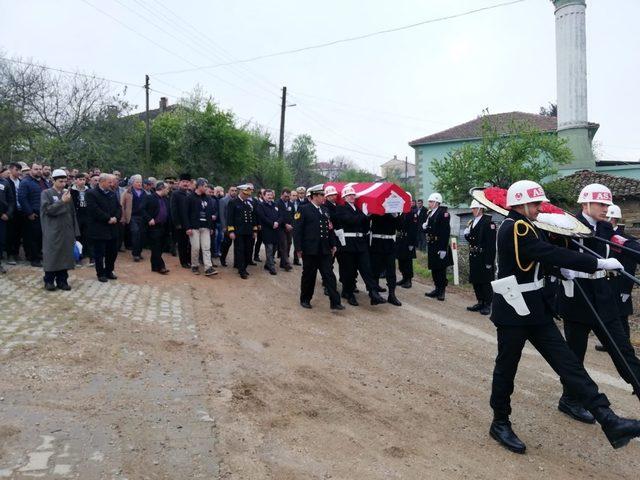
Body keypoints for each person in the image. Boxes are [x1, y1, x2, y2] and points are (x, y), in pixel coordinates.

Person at [489, 179, 640, 454]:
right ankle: (500, 421)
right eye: (535, 204)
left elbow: (543, 261)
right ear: (521, 203)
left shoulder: (532, 226)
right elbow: (547, 252)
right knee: (506, 369)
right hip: (513, 310)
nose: (539, 208)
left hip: (536, 309)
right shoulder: (515, 227)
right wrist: (597, 263)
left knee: (570, 365)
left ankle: (608, 419)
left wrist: (561, 272)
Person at [556, 184, 640, 423]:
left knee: (622, 350)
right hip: (577, 296)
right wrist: (561, 270)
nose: (607, 208)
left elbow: (625, 243)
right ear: (586, 204)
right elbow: (552, 253)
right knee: (575, 354)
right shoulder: (566, 226)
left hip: (603, 297)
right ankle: (570, 399)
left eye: (607, 204)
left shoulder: (604, 227)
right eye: (602, 204)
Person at [293, 184, 343, 310]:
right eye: (322, 195)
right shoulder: (303, 209)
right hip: (310, 249)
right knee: (309, 275)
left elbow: (329, 229)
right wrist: (298, 248)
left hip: (324, 249)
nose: (324, 198)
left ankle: (335, 302)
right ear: (314, 196)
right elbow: (297, 230)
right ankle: (305, 299)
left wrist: (333, 244)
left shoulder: (325, 210)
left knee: (329, 275)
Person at [334, 186, 386, 306]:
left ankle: (373, 293)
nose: (352, 197)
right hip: (348, 243)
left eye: (353, 195)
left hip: (360, 243)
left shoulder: (358, 209)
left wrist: (368, 217)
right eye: (349, 195)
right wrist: (364, 216)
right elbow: (351, 220)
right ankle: (348, 293)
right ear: (344, 197)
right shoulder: (340, 209)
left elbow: (364, 226)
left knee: (367, 268)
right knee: (349, 271)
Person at [40, 169, 79, 291]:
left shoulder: (67, 194)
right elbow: (48, 210)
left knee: (65, 255)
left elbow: (72, 213)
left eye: (64, 181)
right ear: (54, 180)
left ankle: (62, 281)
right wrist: (62, 202)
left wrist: (75, 231)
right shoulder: (46, 193)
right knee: (52, 255)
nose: (63, 184)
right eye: (60, 181)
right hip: (52, 230)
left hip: (66, 231)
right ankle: (49, 281)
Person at [86, 174, 121, 282]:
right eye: (109, 182)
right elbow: (94, 210)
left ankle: (109, 270)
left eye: (112, 182)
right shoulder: (91, 193)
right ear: (102, 182)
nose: (112, 184)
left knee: (112, 252)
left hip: (113, 228)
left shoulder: (112, 193)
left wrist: (116, 217)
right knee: (99, 253)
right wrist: (108, 218)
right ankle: (100, 273)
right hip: (99, 228)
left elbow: (119, 207)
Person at [464, 199, 496, 315]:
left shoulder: (488, 223)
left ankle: (488, 304)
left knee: (485, 281)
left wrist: (489, 261)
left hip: (483, 256)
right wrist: (467, 235)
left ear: (480, 209)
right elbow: (473, 240)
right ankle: (480, 301)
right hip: (474, 255)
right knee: (476, 280)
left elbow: (491, 244)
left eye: (474, 208)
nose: (472, 210)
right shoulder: (473, 221)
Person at [422, 192, 452, 301]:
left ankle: (442, 290)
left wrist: (443, 248)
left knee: (440, 269)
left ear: (436, 202)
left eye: (431, 201)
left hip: (439, 245)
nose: (429, 203)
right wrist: (424, 227)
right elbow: (429, 229)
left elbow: (445, 232)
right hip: (432, 244)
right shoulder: (430, 213)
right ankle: (436, 288)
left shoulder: (443, 213)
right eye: (429, 201)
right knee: (434, 268)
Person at [18, 162, 48, 267]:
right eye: (36, 169)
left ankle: (38, 255)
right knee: (32, 238)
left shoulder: (45, 182)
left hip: (44, 214)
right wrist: (29, 212)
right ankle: (33, 259)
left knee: (40, 237)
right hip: (32, 214)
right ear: (31, 170)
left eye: (40, 169)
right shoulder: (25, 182)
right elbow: (22, 198)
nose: (38, 171)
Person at [369, 213, 403, 306]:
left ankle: (392, 295)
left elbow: (400, 227)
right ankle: (374, 295)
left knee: (391, 272)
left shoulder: (394, 210)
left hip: (390, 244)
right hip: (377, 243)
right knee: (375, 271)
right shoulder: (376, 210)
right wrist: (368, 214)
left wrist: (396, 216)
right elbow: (367, 223)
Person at [186, 178, 217, 276]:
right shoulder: (190, 198)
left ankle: (208, 268)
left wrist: (211, 227)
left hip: (206, 227)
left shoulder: (208, 198)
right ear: (199, 186)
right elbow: (185, 214)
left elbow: (210, 213)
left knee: (206, 247)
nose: (206, 188)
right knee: (195, 247)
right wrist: (187, 228)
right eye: (205, 186)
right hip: (194, 227)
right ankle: (195, 265)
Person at [227, 184, 257, 279]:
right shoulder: (233, 202)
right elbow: (230, 218)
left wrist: (254, 230)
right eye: (246, 193)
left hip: (248, 231)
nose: (248, 195)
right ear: (241, 192)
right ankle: (241, 270)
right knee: (240, 251)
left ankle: (244, 267)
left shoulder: (248, 203)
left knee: (248, 250)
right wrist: (231, 231)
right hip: (238, 231)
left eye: (249, 194)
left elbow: (252, 218)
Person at [141, 181, 170, 274]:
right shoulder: (149, 197)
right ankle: (161, 266)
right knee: (156, 247)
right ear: (162, 188)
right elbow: (142, 209)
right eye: (167, 188)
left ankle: (154, 266)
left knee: (161, 247)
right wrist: (149, 219)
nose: (168, 190)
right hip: (153, 227)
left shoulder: (165, 199)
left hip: (164, 226)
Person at [121, 174, 147, 262]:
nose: (139, 184)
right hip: (132, 217)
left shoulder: (144, 193)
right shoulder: (127, 192)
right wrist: (123, 218)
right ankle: (135, 254)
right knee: (135, 233)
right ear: (132, 183)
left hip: (143, 217)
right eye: (137, 182)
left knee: (142, 235)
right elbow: (122, 205)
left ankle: (139, 252)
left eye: (140, 182)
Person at [170, 174, 192, 268]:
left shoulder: (190, 194)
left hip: (190, 223)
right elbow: (173, 210)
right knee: (182, 243)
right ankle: (183, 262)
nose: (185, 184)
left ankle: (189, 260)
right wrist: (177, 223)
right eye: (183, 182)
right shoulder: (175, 194)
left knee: (189, 243)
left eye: (187, 182)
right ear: (179, 183)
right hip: (180, 224)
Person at [70, 173, 93, 265]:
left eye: (84, 179)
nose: (82, 181)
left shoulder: (89, 190)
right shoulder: (71, 191)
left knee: (88, 235)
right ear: (75, 180)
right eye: (80, 179)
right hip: (76, 215)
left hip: (87, 215)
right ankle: (78, 255)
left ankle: (90, 255)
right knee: (77, 235)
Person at [255, 189, 280, 275]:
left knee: (274, 248)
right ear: (264, 196)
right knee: (269, 249)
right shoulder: (261, 205)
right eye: (268, 195)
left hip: (276, 230)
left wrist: (278, 222)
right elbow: (262, 217)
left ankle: (267, 264)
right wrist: (272, 223)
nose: (270, 196)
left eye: (271, 195)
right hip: (267, 230)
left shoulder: (275, 205)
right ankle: (272, 267)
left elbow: (281, 215)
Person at [396, 207, 419, 289]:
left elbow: (414, 228)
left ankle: (408, 280)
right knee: (401, 260)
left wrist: (412, 243)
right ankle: (404, 278)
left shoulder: (412, 213)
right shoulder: (401, 212)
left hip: (408, 240)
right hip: (401, 239)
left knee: (407, 261)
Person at [5, 162, 22, 265]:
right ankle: (10, 254)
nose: (19, 172)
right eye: (17, 170)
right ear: (11, 169)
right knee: (10, 233)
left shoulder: (21, 181)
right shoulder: (6, 182)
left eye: (20, 170)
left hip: (21, 210)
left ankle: (16, 252)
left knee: (18, 233)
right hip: (10, 211)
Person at [0, 165, 15, 274]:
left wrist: (8, 214)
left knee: (1, 241)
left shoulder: (5, 182)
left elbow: (11, 200)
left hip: (3, 218)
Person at [218, 185, 238, 267]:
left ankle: (236, 263)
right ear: (228, 191)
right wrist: (224, 227)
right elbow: (222, 214)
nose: (234, 192)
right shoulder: (223, 200)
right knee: (227, 244)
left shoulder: (237, 200)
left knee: (237, 245)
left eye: (235, 190)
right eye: (232, 190)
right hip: (227, 226)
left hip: (236, 226)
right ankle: (222, 258)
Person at [275, 188, 294, 271]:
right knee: (284, 245)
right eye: (286, 196)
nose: (287, 198)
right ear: (282, 194)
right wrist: (285, 224)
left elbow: (293, 215)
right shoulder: (277, 203)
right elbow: (278, 216)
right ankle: (286, 264)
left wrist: (291, 225)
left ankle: (283, 263)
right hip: (281, 228)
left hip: (289, 228)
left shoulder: (291, 204)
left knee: (289, 244)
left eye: (288, 196)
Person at [253, 188, 266, 262]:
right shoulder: (256, 202)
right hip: (258, 224)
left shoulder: (265, 202)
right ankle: (255, 256)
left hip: (264, 224)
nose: (264, 194)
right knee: (257, 241)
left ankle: (256, 255)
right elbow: (256, 214)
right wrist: (258, 224)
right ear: (260, 194)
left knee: (261, 240)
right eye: (263, 193)